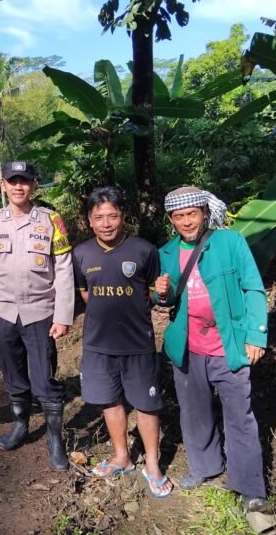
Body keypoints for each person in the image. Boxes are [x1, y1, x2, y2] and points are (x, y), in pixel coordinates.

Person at [153, 186, 270, 513]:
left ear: (205, 212)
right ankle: (205, 466)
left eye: (192, 214)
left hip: (228, 344)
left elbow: (253, 288)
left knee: (240, 416)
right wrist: (160, 292)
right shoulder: (166, 253)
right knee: (194, 412)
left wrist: (256, 336)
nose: (186, 221)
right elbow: (166, 299)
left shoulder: (230, 242)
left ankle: (249, 487)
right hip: (188, 347)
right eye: (179, 216)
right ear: (171, 219)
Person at [0, 160, 74, 471]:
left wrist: (63, 315)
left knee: (44, 378)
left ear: (34, 185)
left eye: (25, 181)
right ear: (3, 185)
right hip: (3, 312)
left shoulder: (51, 220)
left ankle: (54, 439)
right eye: (12, 181)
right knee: (12, 373)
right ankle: (20, 425)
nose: (19, 186)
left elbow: (64, 269)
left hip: (40, 312)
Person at [72, 186, 172, 497]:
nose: (106, 223)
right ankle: (122, 456)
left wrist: (160, 294)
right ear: (90, 220)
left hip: (138, 342)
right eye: (99, 217)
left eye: (112, 216)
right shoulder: (81, 254)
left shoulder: (144, 250)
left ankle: (152, 464)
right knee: (110, 400)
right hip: (98, 343)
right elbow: (86, 294)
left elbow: (154, 295)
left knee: (146, 404)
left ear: (122, 217)